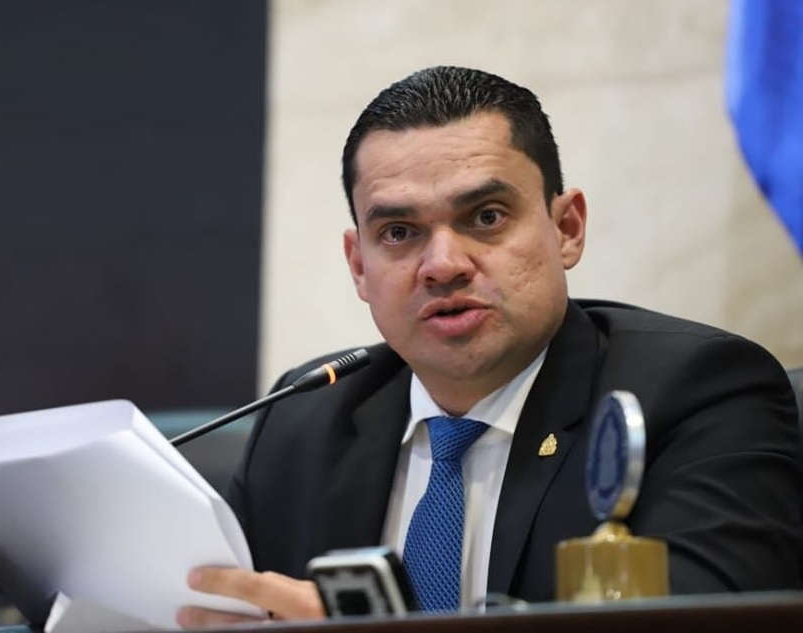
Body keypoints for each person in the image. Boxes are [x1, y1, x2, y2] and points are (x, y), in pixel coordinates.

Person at [176, 66, 803, 628]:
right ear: (359, 265)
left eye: (486, 217)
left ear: (566, 228)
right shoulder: (301, 418)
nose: (443, 265)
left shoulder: (697, 393)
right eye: (399, 231)